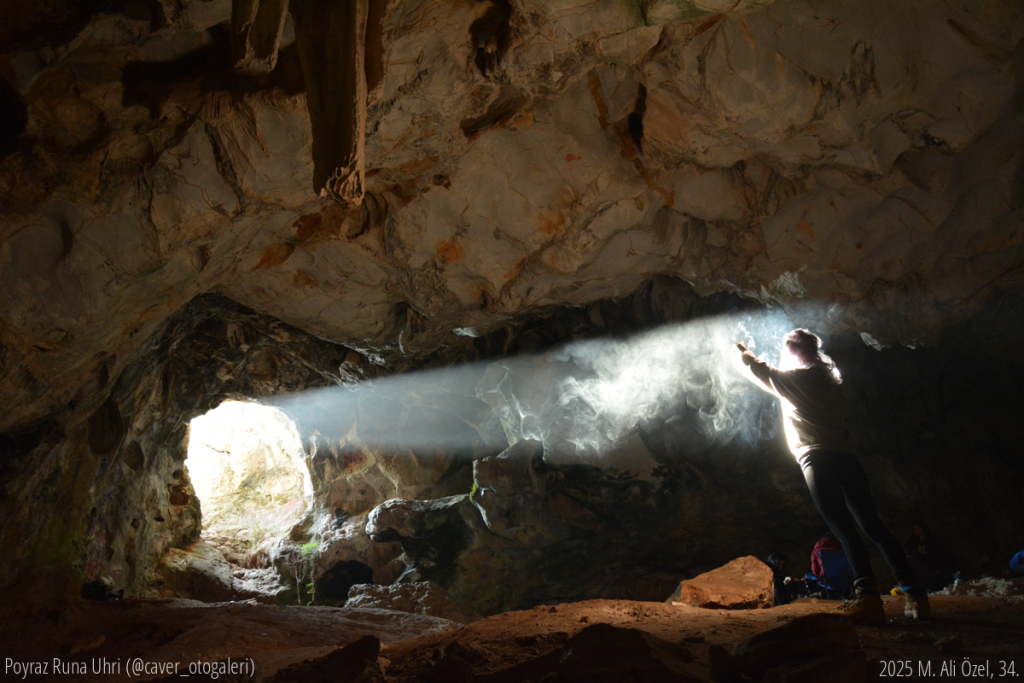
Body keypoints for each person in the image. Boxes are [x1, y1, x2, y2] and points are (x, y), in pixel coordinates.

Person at [734, 329, 930, 624]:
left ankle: (868, 599)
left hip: (816, 457)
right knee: (873, 526)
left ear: (793, 353)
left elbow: (755, 368)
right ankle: (915, 594)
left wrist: (739, 348)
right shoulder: (830, 379)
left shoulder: (796, 380)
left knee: (843, 528)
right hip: (846, 456)